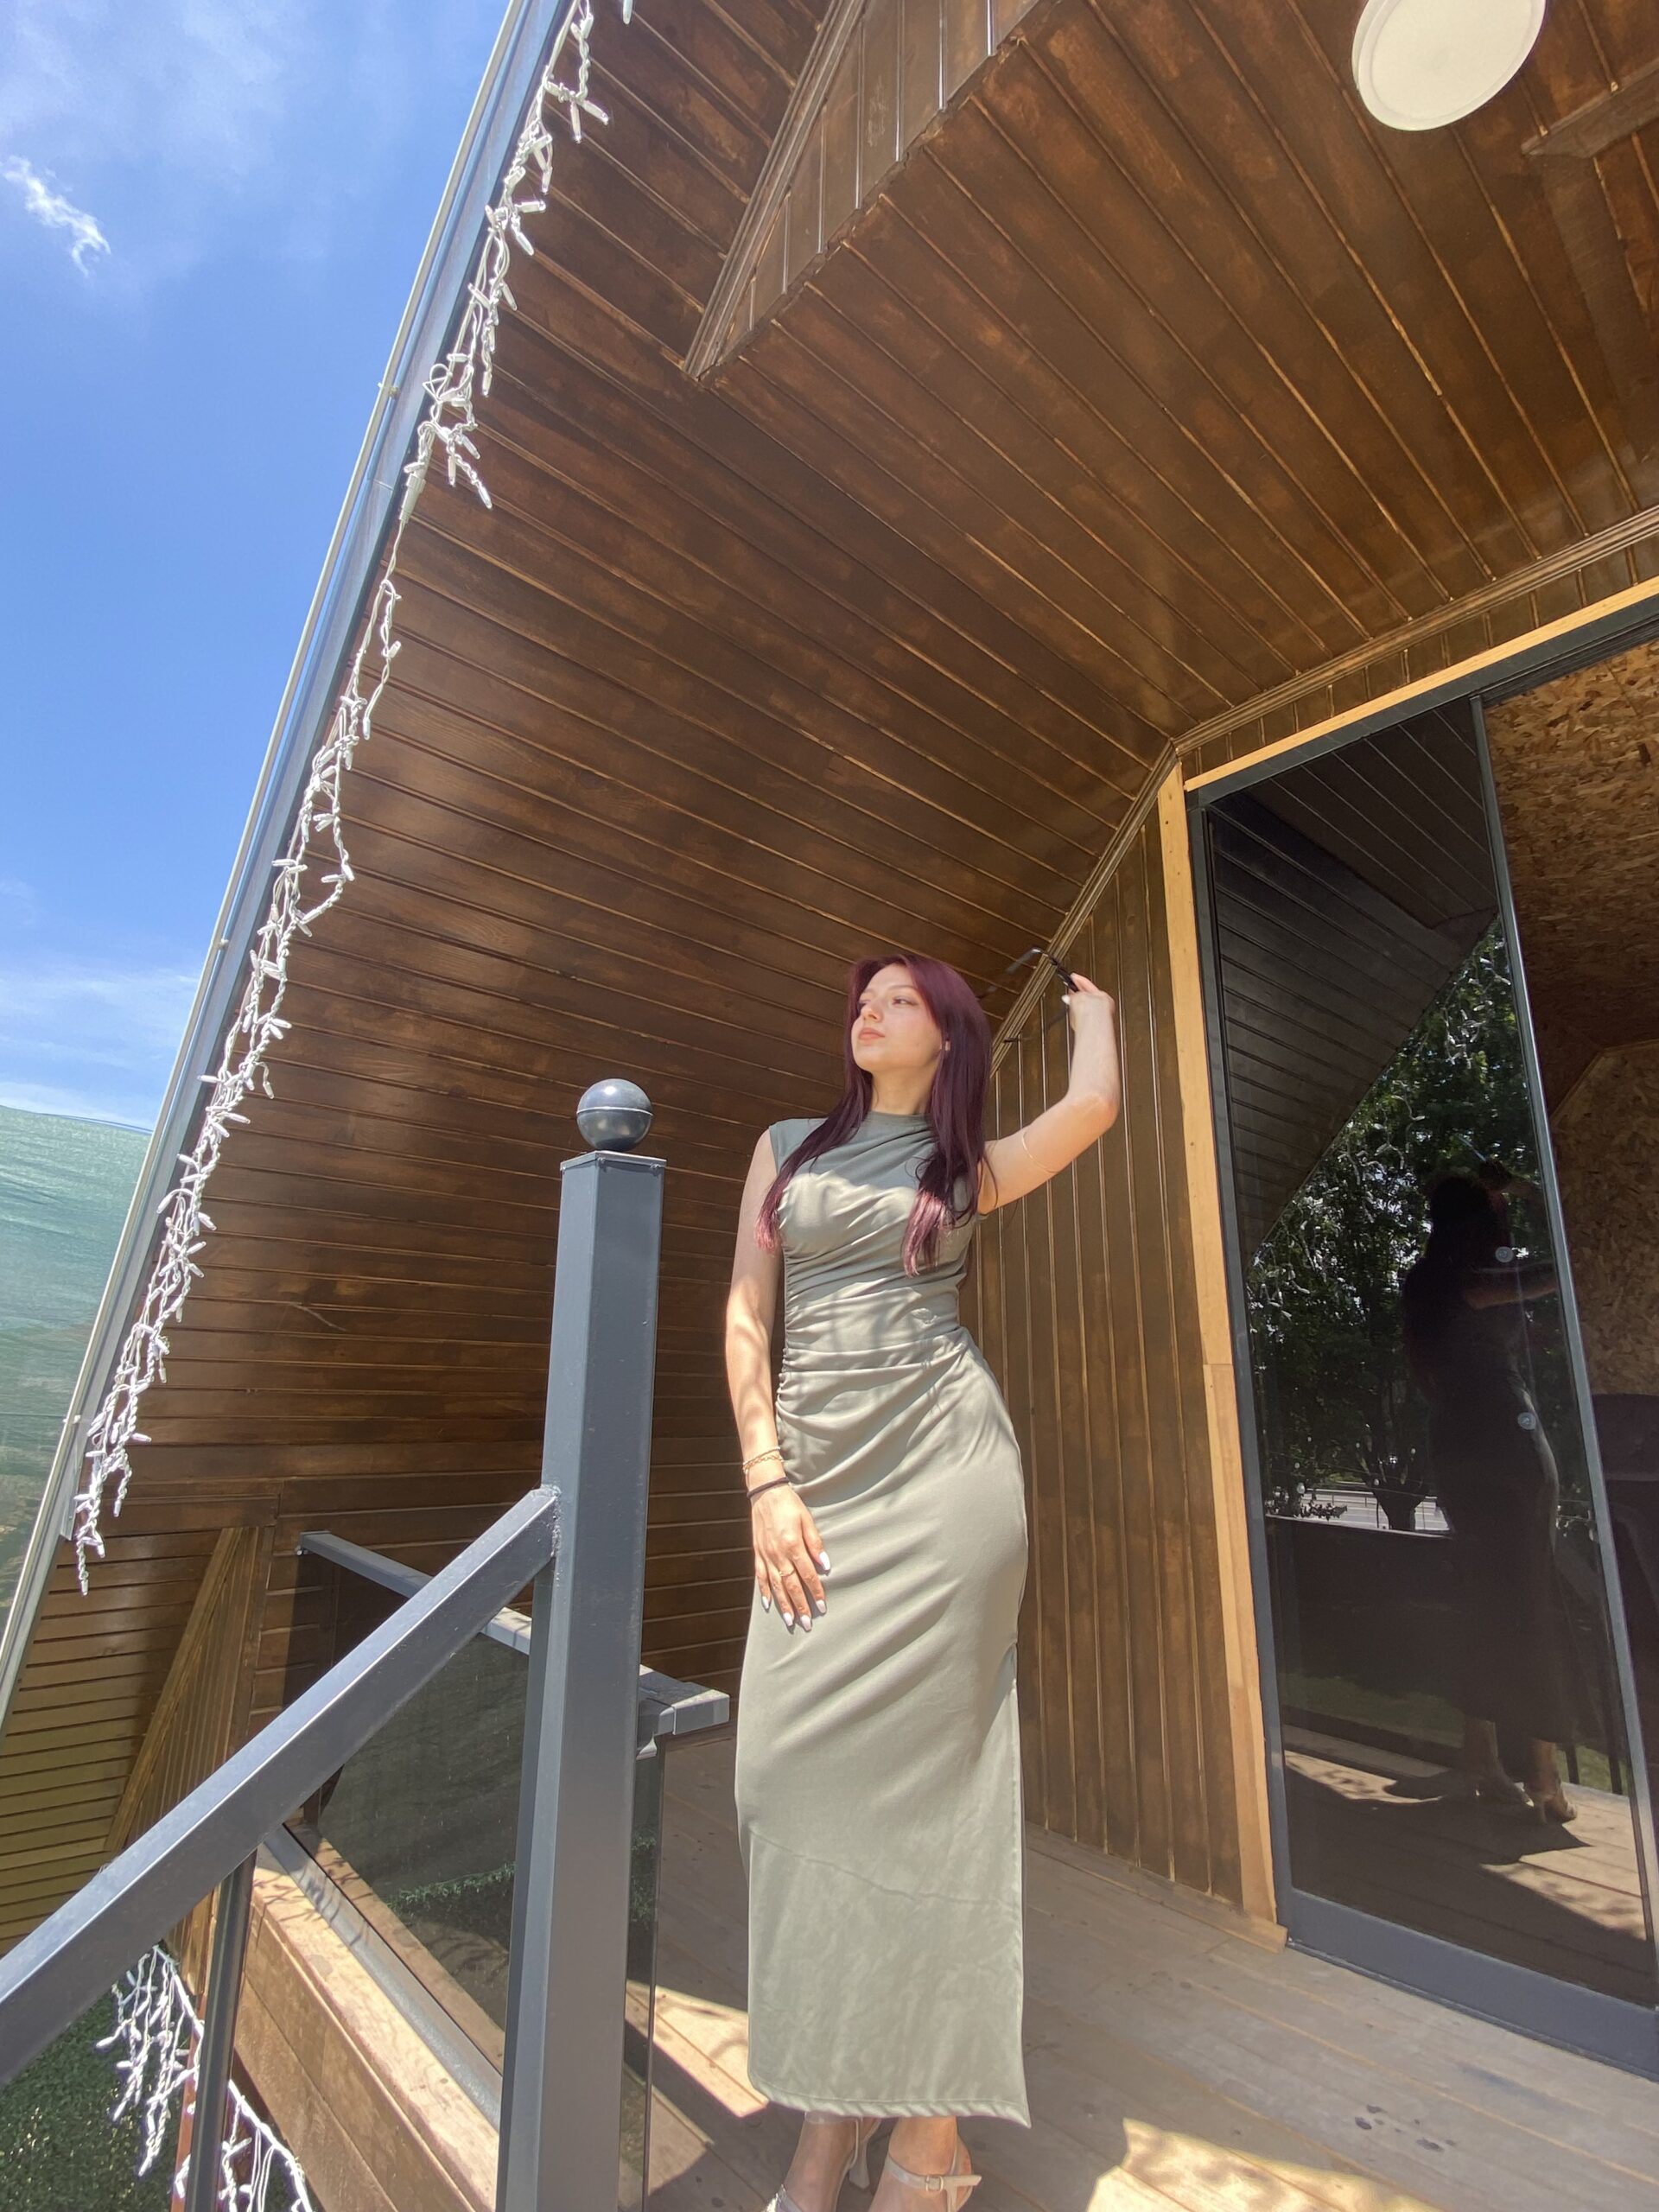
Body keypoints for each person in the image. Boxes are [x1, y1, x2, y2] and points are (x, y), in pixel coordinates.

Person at [725, 951, 1120, 2212]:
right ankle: (842, 2106)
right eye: (866, 995)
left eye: (900, 999)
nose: (871, 1008)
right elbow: (747, 1315)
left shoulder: (963, 1168)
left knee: (933, 1806)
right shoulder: (785, 1148)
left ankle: (922, 2136)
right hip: (813, 1488)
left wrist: (1098, 1016)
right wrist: (765, 1479)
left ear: (945, 1038)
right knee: (782, 1783)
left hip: (947, 1486)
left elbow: (1093, 1108)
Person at [1400, 1165, 1577, 1823]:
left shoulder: (1426, 1283)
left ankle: (1482, 1755)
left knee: (1482, 1591)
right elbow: (1558, 1270)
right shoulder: (1465, 1281)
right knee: (1531, 1592)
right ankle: (1543, 1772)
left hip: (1456, 1442)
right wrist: (1534, 1192)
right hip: (1504, 1441)